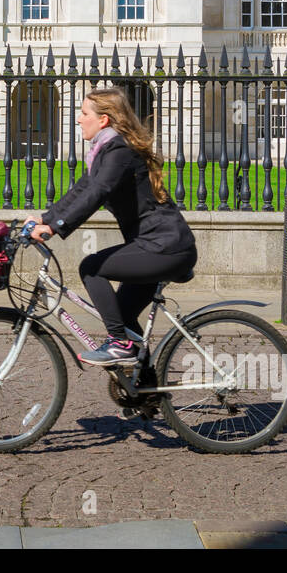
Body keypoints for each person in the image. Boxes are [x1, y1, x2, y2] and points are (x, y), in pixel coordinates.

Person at [24, 88, 197, 367]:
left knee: (91, 268)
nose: (78, 120)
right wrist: (45, 218)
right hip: (154, 246)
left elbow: (99, 191)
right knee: (124, 318)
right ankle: (145, 395)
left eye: (83, 114)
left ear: (103, 119)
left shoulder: (119, 150)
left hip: (165, 247)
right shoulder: (107, 151)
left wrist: (55, 228)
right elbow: (83, 189)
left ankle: (118, 344)